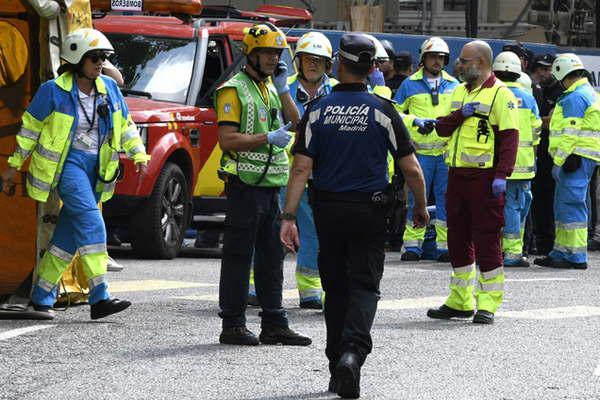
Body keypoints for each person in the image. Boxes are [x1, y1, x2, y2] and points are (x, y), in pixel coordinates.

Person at [280, 32, 428, 399]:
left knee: (336, 290)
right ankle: (352, 355)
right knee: (364, 286)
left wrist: (288, 216)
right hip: (370, 211)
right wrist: (421, 207)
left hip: (328, 210)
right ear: (371, 68)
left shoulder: (317, 109)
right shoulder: (383, 109)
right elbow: (411, 169)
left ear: (339, 65)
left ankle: (336, 367)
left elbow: (300, 169)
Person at [0, 28, 149, 319]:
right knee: (93, 225)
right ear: (76, 59)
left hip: (98, 169)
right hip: (68, 168)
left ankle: (41, 294)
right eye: (94, 58)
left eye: (103, 58)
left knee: (67, 238)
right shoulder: (53, 91)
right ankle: (99, 296)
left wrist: (138, 153)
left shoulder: (109, 88)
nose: (100, 63)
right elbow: (29, 132)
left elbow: (126, 124)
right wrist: (12, 166)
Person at [215, 24, 310, 346]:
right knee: (239, 257)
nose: (273, 58)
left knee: (272, 258)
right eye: (267, 52)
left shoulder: (272, 88)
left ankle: (274, 322)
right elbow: (227, 138)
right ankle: (232, 324)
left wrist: (283, 90)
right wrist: (266, 138)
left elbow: (297, 124)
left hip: (271, 185)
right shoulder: (233, 89)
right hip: (244, 185)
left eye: (277, 53)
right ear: (250, 54)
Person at [426, 40, 520, 325]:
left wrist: (502, 175)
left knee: (487, 239)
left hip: (484, 178)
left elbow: (510, 137)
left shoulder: (500, 95)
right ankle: (460, 301)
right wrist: (460, 114)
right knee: (457, 238)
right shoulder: (458, 91)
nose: (459, 64)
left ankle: (488, 303)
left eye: (465, 61)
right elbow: (441, 127)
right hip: (456, 176)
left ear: (480, 62)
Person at [281, 31, 336, 309]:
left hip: (322, 175)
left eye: (319, 60)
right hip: (286, 173)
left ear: (328, 65)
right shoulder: (281, 88)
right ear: (298, 62)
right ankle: (256, 286)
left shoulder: (338, 91)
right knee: (272, 229)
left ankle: (310, 289)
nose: (313, 64)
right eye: (307, 59)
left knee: (315, 232)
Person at [394, 36, 458, 262]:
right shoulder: (409, 84)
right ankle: (412, 246)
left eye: (441, 58)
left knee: (446, 201)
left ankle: (444, 247)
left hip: (444, 153)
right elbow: (395, 114)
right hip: (419, 153)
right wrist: (415, 122)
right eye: (432, 57)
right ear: (424, 58)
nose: (437, 62)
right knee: (416, 200)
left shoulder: (455, 85)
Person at [534, 53, 600, 269]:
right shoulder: (587, 92)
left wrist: (560, 160)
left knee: (571, 206)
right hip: (581, 157)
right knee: (564, 205)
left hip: (574, 158)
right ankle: (561, 252)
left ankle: (575, 256)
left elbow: (570, 132)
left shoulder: (574, 97)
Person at [492, 51, 541, 268]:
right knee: (519, 206)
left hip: (501, 164)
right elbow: (536, 130)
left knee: (507, 207)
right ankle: (513, 250)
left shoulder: (492, 95)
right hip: (525, 163)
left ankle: (509, 250)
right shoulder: (529, 98)